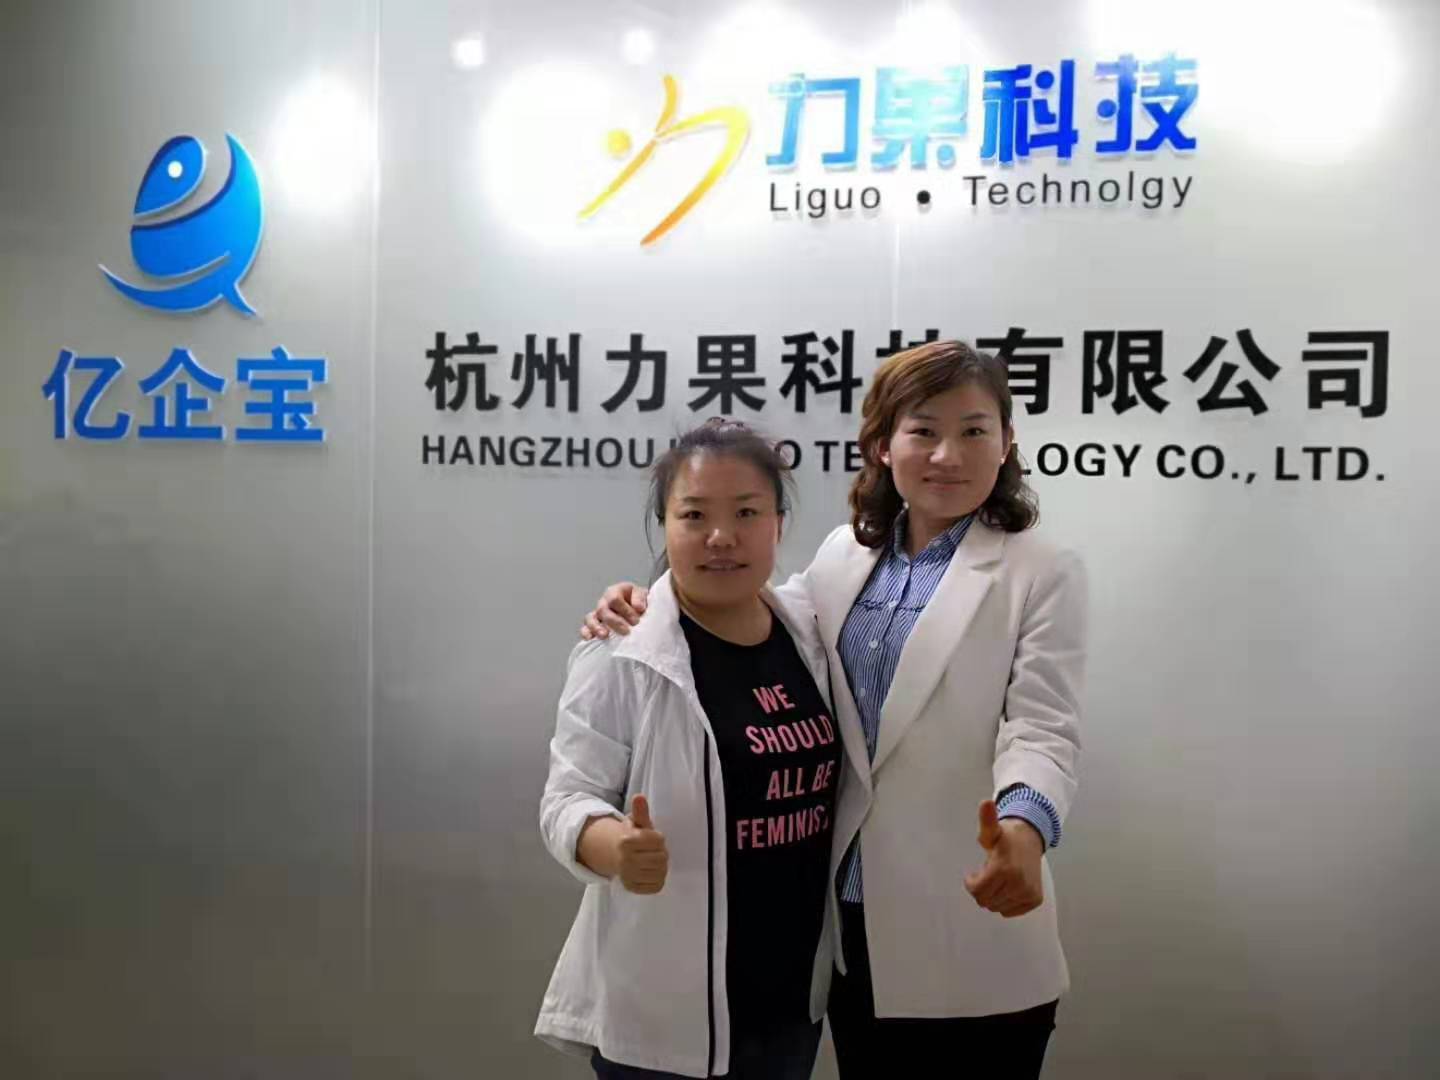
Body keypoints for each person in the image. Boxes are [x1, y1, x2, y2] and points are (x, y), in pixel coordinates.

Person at [581, 341, 1087, 1078]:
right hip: (849, 930)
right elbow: (744, 610)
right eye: (923, 430)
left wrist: (1024, 826)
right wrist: (639, 600)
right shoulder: (844, 555)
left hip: (970, 918)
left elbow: (1043, 727)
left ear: (1006, 442)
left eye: (975, 430)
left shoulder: (1040, 569)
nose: (948, 454)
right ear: (882, 444)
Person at [537, 420, 847, 1080]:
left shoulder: (812, 632)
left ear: (779, 524)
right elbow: (567, 798)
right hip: (666, 1021)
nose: (721, 536)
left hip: (791, 1005)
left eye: (747, 513)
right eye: (695, 515)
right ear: (665, 526)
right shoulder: (623, 651)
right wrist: (613, 847)